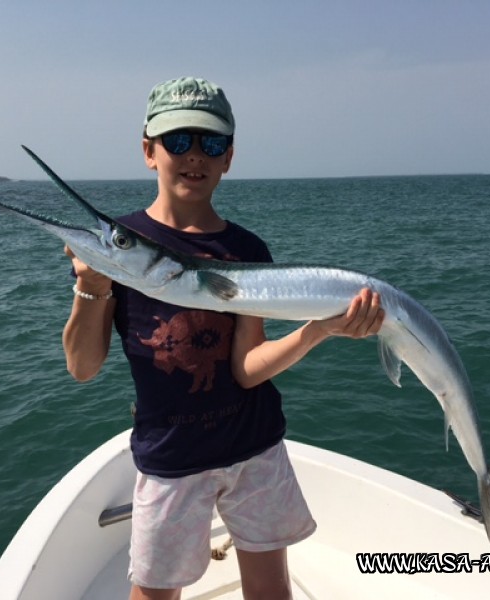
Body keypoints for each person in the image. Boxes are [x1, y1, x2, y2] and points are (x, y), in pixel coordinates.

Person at [62, 77, 384, 600]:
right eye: (177, 140)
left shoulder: (245, 248)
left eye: (210, 143)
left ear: (228, 156)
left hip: (254, 448)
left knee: (270, 589)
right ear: (148, 150)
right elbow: (82, 366)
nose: (194, 156)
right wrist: (91, 287)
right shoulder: (119, 244)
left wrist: (319, 329)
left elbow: (247, 366)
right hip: (171, 457)